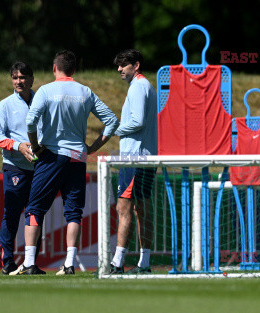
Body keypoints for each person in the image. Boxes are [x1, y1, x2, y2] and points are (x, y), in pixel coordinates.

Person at [10, 50, 119, 275]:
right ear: (74, 70)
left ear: (54, 68)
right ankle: (69, 263)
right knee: (73, 212)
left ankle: (29, 262)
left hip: (52, 154)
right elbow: (112, 121)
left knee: (34, 208)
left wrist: (35, 145)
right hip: (78, 156)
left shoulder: (46, 90)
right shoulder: (85, 91)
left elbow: (31, 122)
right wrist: (92, 147)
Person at [110, 49, 158, 274]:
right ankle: (144, 263)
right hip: (145, 156)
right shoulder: (145, 86)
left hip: (135, 157)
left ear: (136, 66)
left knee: (124, 208)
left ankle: (117, 262)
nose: (119, 69)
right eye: (118, 65)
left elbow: (137, 121)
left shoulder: (139, 86)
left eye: (123, 65)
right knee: (142, 209)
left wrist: (115, 129)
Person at [0, 62, 42, 275]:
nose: (18, 81)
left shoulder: (42, 101)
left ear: (31, 79)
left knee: (36, 214)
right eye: (15, 77)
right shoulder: (5, 105)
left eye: (22, 77)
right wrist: (18, 146)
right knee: (11, 215)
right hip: (15, 167)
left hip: (40, 168)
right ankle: (7, 262)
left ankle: (30, 262)